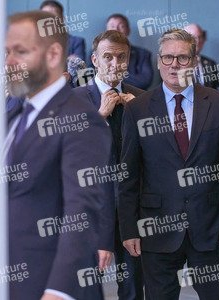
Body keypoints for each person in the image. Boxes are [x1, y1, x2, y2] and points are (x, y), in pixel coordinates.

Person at [119, 29, 219, 300]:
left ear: (195, 60)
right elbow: (129, 175)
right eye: (167, 58)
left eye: (182, 58)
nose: (174, 65)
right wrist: (129, 229)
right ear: (158, 61)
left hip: (212, 228)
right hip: (157, 230)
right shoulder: (138, 109)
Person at [5, 10, 115, 300]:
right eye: (7, 52)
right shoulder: (15, 115)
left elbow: (81, 213)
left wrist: (58, 291)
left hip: (52, 288)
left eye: (20, 51)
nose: (9, 63)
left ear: (54, 55)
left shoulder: (81, 118)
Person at [73, 30, 145, 300]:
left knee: (134, 288)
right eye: (108, 57)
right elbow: (71, 155)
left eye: (121, 57)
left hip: (133, 209)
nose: (115, 64)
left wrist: (141, 116)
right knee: (87, 290)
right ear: (94, 60)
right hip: (90, 211)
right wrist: (100, 116)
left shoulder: (143, 100)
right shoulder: (75, 100)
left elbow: (160, 152)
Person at [107, 14, 153, 90]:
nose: (116, 29)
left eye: (121, 26)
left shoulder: (143, 54)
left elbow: (145, 81)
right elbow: (93, 80)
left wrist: (113, 76)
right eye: (112, 26)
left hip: (136, 98)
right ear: (107, 31)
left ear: (128, 30)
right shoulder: (96, 53)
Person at [184, 24, 219, 90]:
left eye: (199, 37)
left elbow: (216, 91)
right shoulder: (174, 64)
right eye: (193, 37)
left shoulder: (211, 64)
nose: (197, 41)